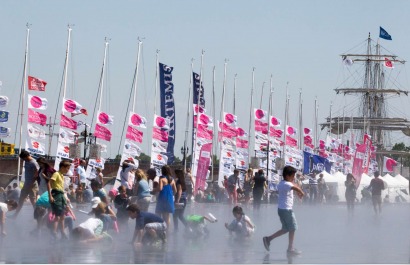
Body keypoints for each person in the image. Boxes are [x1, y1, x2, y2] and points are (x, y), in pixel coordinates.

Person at [263, 166, 304, 255]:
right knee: (293, 228)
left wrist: (298, 192)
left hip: (282, 209)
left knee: (285, 229)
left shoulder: (283, 183)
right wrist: (302, 193)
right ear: (287, 176)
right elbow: (295, 187)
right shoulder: (286, 184)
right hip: (287, 210)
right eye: (293, 176)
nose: (294, 178)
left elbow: (294, 185)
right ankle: (290, 249)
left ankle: (268, 239)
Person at [48, 160, 71, 240]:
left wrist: (65, 198)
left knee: (62, 216)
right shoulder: (56, 174)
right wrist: (50, 196)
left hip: (61, 195)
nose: (68, 170)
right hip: (56, 195)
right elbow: (49, 183)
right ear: (62, 167)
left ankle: (62, 231)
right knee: (57, 216)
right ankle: (54, 232)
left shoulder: (61, 175)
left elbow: (61, 188)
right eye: (67, 168)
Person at [14, 150, 39, 217]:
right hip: (26, 183)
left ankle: (37, 216)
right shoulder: (26, 161)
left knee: (33, 201)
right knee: (21, 199)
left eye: (23, 158)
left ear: (26, 156)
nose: (23, 160)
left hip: (32, 185)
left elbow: (37, 174)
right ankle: (15, 215)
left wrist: (31, 183)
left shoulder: (34, 163)